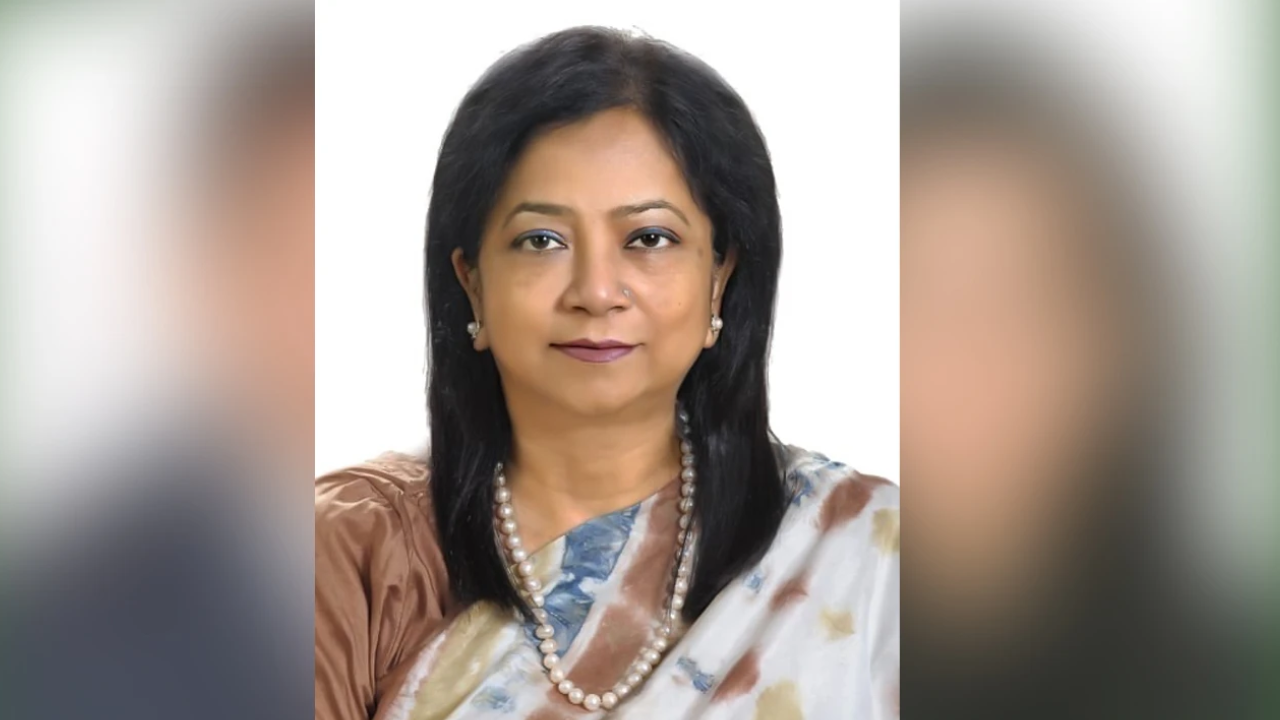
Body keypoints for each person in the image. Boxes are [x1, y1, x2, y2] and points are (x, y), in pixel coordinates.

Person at [315, 26, 899, 720]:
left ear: (720, 279)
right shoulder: (347, 551)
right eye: (542, 240)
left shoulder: (866, 553)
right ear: (473, 284)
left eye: (649, 238)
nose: (596, 292)